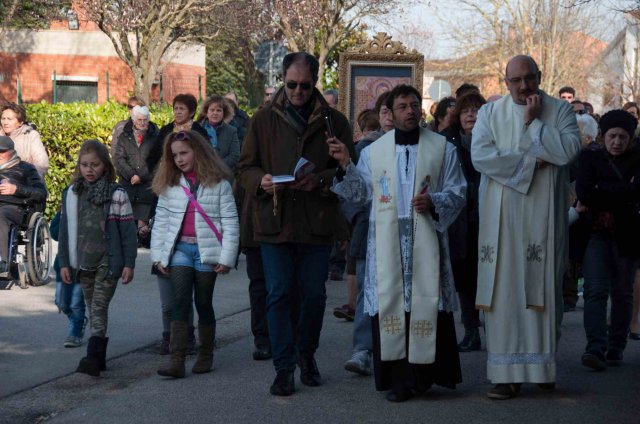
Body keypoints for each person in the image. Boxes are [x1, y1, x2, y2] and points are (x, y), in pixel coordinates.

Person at [329, 84, 466, 402]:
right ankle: (400, 382)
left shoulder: (443, 148)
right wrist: (345, 165)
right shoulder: (374, 152)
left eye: (414, 105)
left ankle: (426, 377)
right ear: (389, 112)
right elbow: (360, 193)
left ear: (420, 109)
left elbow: (458, 191)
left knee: (427, 302)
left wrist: (434, 202)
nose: (409, 111)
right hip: (388, 243)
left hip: (427, 237)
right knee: (393, 306)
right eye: (402, 105)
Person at [236, 51, 355, 397]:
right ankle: (284, 367)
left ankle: (307, 354)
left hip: (316, 221)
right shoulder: (261, 119)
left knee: (314, 296)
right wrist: (263, 180)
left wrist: (322, 178)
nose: (298, 91)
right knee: (277, 294)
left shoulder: (335, 121)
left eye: (305, 85)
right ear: (283, 80)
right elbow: (243, 169)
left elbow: (352, 172)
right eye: (292, 85)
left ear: (315, 82)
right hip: (274, 220)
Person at [471, 55, 581, 399]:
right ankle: (505, 376)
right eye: (515, 81)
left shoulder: (559, 111)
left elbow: (568, 151)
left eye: (529, 79)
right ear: (505, 82)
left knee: (542, 291)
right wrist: (534, 162)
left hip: (543, 220)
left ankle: (542, 368)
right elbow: (481, 157)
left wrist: (533, 125)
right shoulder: (490, 113)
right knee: (504, 295)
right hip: (500, 221)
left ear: (539, 76)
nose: (523, 87)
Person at [152, 130, 239, 379]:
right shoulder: (170, 184)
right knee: (180, 301)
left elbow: (231, 222)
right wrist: (159, 256)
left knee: (203, 303)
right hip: (180, 250)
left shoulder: (219, 183)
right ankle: (176, 360)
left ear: (198, 151)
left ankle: (205, 355)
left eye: (184, 153)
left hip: (206, 251)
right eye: (175, 155)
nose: (179, 159)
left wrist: (227, 257)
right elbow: (161, 222)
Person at [58, 140, 137, 377]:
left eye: (95, 165)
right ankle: (99, 358)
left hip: (108, 261)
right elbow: (64, 231)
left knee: (99, 306)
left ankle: (92, 357)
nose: (89, 170)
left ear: (105, 166)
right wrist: (64, 262)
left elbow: (128, 233)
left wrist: (129, 264)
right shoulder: (72, 194)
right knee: (92, 308)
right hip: (83, 262)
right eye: (84, 165)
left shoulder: (117, 194)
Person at [576, 110, 640, 370]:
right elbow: (584, 193)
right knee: (595, 289)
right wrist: (624, 192)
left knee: (623, 293)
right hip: (596, 233)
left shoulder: (638, 160)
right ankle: (595, 347)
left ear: (630, 139)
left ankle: (616, 346)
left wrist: (602, 190)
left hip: (629, 235)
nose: (617, 142)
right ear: (603, 136)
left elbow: (637, 192)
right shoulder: (589, 158)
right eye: (612, 136)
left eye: (622, 137)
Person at [446, 92, 486, 352]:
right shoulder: (449, 144)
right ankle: (471, 330)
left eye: (477, 110)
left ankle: (494, 330)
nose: (471, 115)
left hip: (489, 217)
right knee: (465, 278)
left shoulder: (494, 141)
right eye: (466, 111)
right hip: (461, 220)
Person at [114, 106, 160, 247]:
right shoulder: (124, 136)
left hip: (147, 186)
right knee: (127, 216)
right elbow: (118, 159)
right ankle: (129, 242)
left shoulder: (155, 137)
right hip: (128, 184)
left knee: (143, 220)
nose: (142, 123)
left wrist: (141, 176)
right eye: (139, 120)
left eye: (145, 120)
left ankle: (143, 239)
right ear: (133, 120)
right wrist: (131, 175)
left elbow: (157, 160)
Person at [0, 136, 47, 274]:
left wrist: (16, 189)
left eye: (2, 152)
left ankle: (2, 261)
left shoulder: (25, 168)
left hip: (17, 208)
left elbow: (41, 193)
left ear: (12, 152)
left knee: (1, 215)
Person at [51, 211, 87, 348]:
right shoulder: (64, 211)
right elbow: (54, 233)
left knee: (76, 302)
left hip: (82, 264)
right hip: (64, 265)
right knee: (61, 302)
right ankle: (77, 319)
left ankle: (75, 332)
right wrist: (62, 219)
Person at [0, 103, 49, 177]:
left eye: (9, 119)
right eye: (3, 119)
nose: (5, 122)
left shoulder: (30, 136)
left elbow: (42, 164)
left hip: (25, 183)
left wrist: (27, 182)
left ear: (21, 122)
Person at [196, 95, 241, 172]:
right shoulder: (197, 130)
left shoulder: (231, 131)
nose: (215, 113)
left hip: (224, 174)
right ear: (207, 112)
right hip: (202, 174)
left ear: (224, 113)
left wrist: (218, 167)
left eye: (219, 110)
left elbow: (235, 156)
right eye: (212, 110)